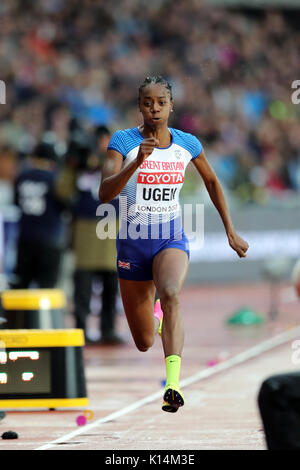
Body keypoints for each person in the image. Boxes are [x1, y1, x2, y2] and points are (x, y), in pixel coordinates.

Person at [99, 76, 249, 412]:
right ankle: (156, 312)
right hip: (132, 244)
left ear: (171, 106)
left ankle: (173, 384)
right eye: (147, 102)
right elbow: (105, 193)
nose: (154, 108)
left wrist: (230, 230)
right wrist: (135, 163)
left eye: (161, 102)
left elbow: (211, 181)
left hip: (170, 238)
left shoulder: (187, 143)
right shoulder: (122, 142)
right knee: (143, 342)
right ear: (139, 106)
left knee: (171, 293)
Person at [55, 125, 124, 344]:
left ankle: (108, 329)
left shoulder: (119, 160)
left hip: (111, 228)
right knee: (83, 287)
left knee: (111, 286)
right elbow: (63, 192)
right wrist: (71, 165)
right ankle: (82, 328)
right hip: (86, 230)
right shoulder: (80, 165)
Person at [12, 142, 66, 289]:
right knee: (47, 290)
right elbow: (65, 205)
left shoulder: (22, 177)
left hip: (25, 240)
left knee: (20, 288)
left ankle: (18, 314)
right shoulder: (55, 179)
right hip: (50, 241)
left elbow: (16, 202)